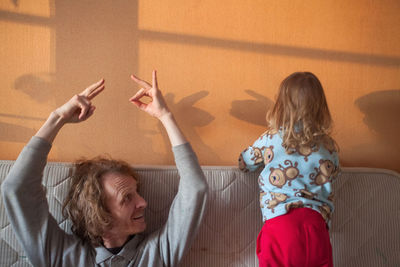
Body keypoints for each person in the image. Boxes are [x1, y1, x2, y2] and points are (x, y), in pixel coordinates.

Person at [1, 70, 208, 267]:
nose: (143, 202)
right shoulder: (61, 255)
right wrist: (57, 118)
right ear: (98, 211)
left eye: (136, 193)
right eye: (127, 197)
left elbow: (195, 189)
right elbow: (17, 190)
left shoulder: (158, 253)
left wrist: (166, 117)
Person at [238, 72, 340, 267]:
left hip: (280, 223)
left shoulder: (271, 139)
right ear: (321, 108)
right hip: (316, 226)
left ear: (280, 106)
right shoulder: (329, 145)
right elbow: (334, 172)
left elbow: (244, 162)